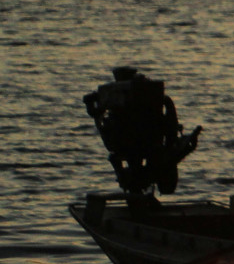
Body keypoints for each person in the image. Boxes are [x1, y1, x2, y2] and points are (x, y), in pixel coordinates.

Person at [82, 67, 201, 203]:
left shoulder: (118, 97)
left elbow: (96, 114)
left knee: (134, 163)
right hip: (145, 143)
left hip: (133, 143)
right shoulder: (150, 97)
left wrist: (90, 104)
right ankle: (138, 190)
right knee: (138, 164)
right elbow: (169, 123)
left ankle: (137, 190)